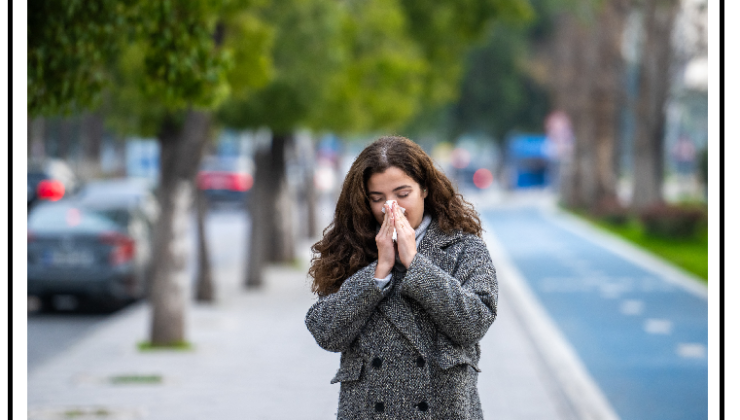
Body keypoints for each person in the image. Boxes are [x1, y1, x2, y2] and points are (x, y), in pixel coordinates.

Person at [305, 135, 498, 419]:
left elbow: (474, 323)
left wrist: (416, 265)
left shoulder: (464, 247)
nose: (391, 208)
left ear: (425, 189)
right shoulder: (351, 249)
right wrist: (377, 273)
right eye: (377, 199)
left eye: (402, 194)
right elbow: (326, 333)